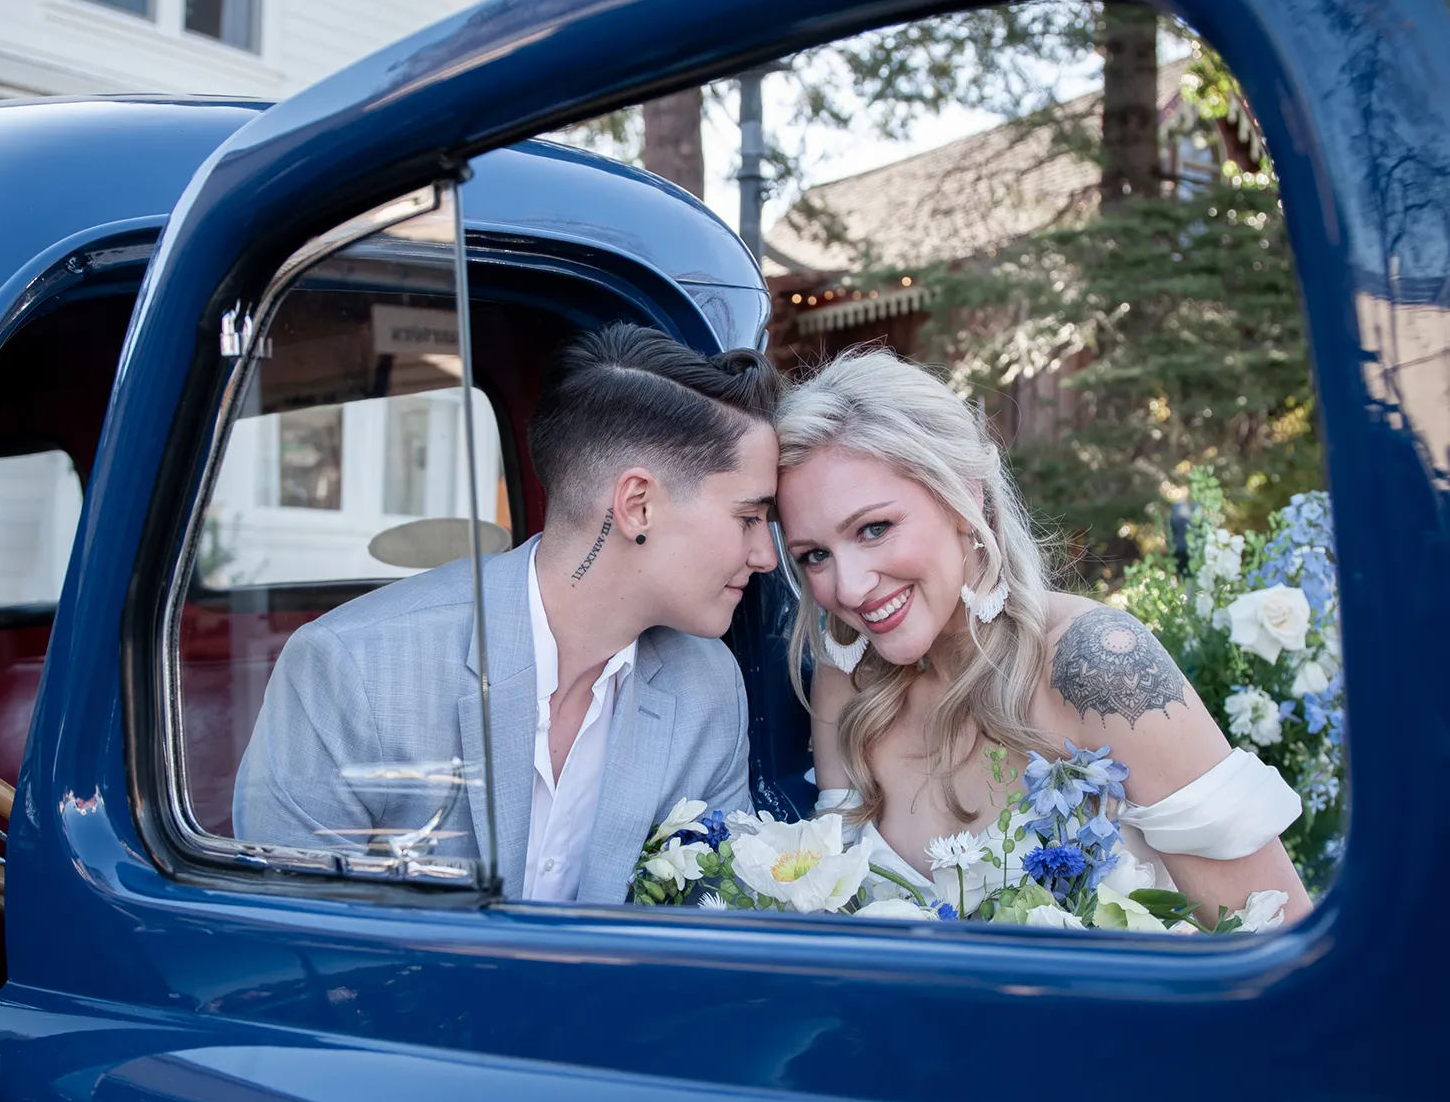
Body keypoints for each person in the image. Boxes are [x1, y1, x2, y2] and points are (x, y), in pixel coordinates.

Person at [234, 322, 779, 902]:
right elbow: (288, 926)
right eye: (748, 518)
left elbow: (715, 917)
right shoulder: (352, 669)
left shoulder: (708, 686)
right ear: (637, 505)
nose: (766, 556)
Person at [774, 349, 1311, 924]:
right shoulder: (846, 679)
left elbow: (1273, 936)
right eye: (814, 555)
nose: (849, 588)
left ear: (965, 495)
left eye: (874, 528)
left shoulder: (1099, 661)